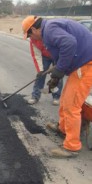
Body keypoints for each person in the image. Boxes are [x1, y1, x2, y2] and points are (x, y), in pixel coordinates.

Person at [22, 15, 92, 158]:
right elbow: (63, 48)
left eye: (30, 35)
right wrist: (56, 71)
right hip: (82, 64)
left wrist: (59, 70)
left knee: (72, 106)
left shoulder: (49, 29)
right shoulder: (50, 27)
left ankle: (72, 147)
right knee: (66, 99)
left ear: (34, 29)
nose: (31, 39)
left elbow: (69, 43)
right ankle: (63, 129)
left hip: (86, 65)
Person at [27, 38, 63, 106]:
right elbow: (37, 55)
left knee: (57, 75)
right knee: (40, 76)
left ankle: (56, 96)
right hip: (45, 56)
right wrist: (40, 70)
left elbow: (63, 48)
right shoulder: (33, 39)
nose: (30, 36)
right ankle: (35, 96)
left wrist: (58, 63)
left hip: (58, 56)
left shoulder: (52, 34)